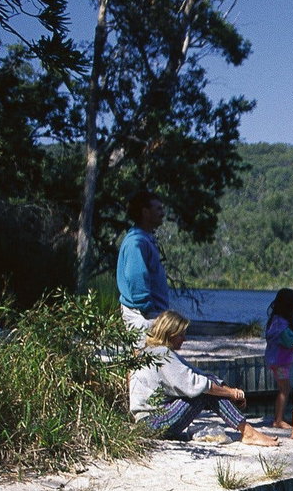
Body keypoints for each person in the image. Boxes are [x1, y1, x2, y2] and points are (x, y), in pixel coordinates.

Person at [130, 310, 279, 446]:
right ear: (171, 333)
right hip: (153, 423)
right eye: (181, 334)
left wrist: (232, 391)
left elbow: (199, 374)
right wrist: (231, 394)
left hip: (149, 423)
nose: (185, 339)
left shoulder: (152, 351)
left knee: (208, 385)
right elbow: (198, 384)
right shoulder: (162, 354)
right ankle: (248, 432)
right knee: (204, 390)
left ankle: (247, 431)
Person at [117, 190, 171, 331]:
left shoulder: (145, 239)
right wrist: (147, 309)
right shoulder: (136, 242)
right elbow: (136, 276)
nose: (162, 213)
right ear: (145, 212)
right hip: (143, 315)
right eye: (158, 209)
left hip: (151, 314)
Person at [263, 288, 293, 430]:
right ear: (288, 308)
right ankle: (278, 420)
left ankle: (279, 417)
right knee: (285, 389)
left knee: (284, 388)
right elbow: (290, 340)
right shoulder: (281, 325)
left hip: (276, 360)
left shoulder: (276, 321)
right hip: (280, 362)